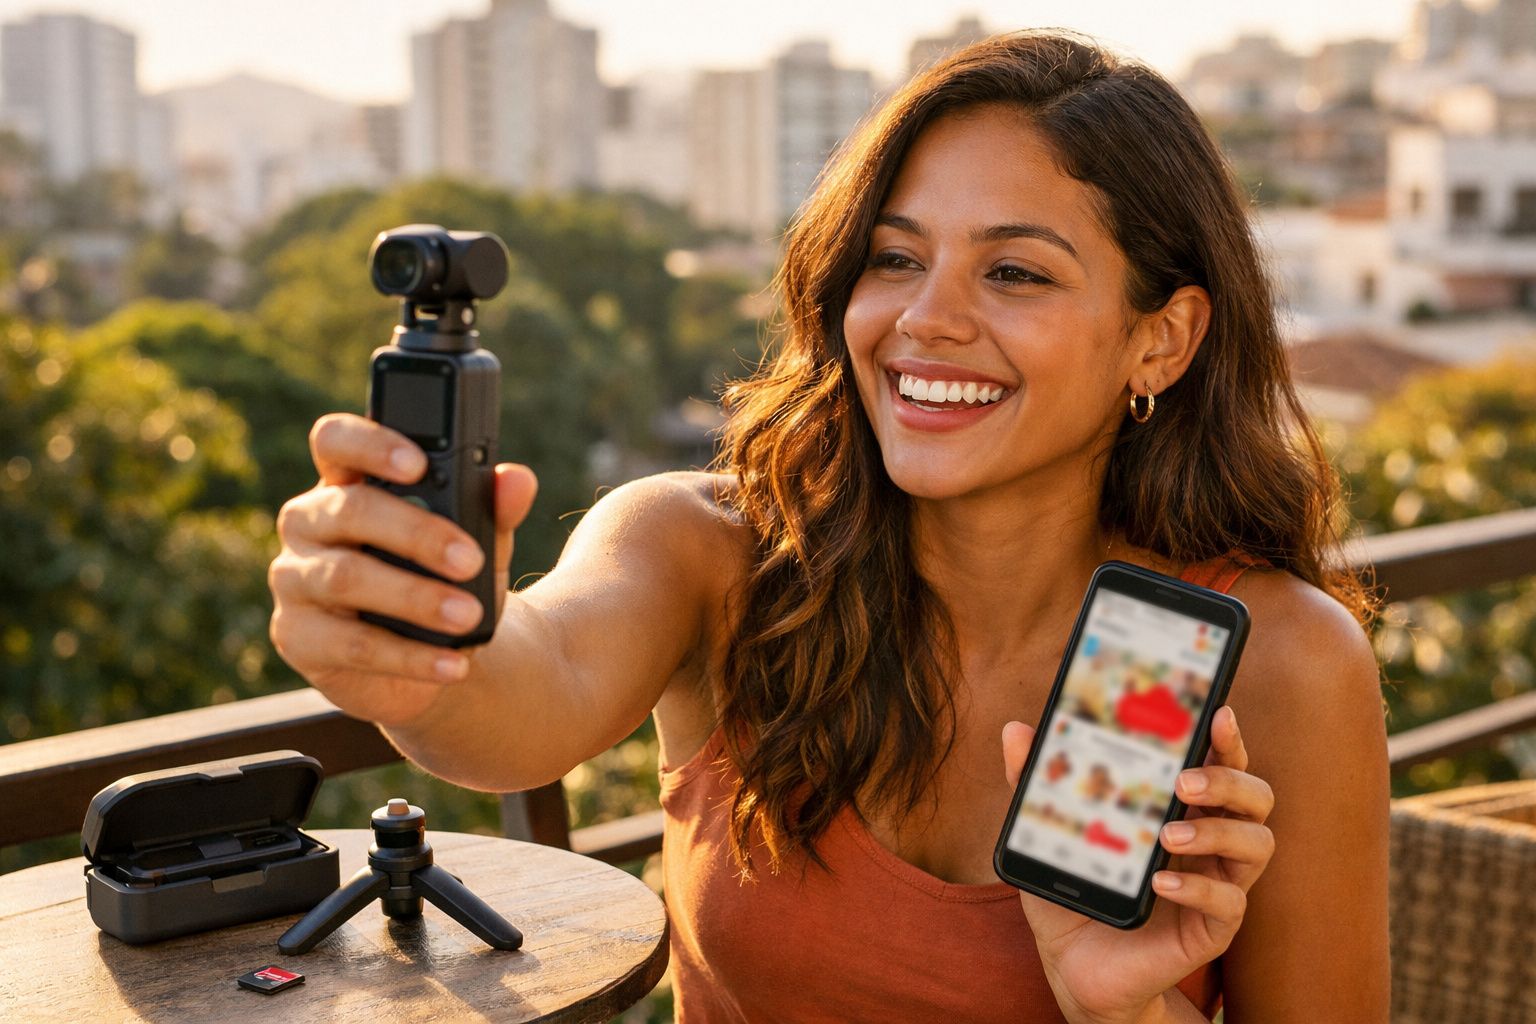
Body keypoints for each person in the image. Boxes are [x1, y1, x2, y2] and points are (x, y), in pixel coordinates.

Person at [268, 30, 1390, 1023]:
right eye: (894, 257)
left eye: (1013, 272)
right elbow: (525, 687)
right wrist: (415, 639)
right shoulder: (707, 550)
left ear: (1162, 338)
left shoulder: (1283, 665)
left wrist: (1127, 1010)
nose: (925, 317)